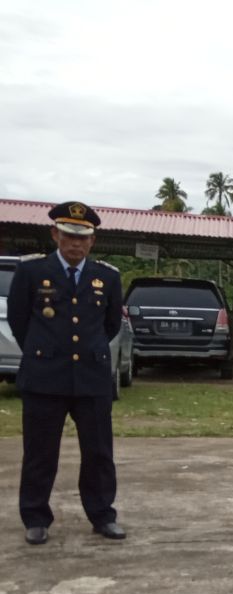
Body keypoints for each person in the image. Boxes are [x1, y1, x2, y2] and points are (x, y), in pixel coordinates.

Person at [8, 202, 125, 545]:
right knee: (40, 451)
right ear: (55, 234)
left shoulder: (108, 276)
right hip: (45, 377)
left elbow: (111, 325)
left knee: (99, 452)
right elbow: (19, 321)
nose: (75, 243)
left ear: (92, 241)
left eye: (83, 237)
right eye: (70, 235)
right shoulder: (31, 272)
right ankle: (35, 518)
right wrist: (44, 350)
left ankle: (103, 515)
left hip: (91, 377)